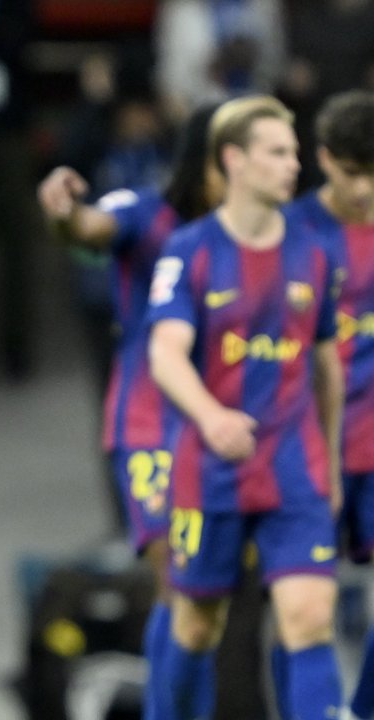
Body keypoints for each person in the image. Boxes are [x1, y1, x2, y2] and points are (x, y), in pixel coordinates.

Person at [147, 95, 345, 720]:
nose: (294, 165)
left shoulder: (315, 252)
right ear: (234, 159)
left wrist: (330, 465)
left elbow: (326, 367)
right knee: (196, 625)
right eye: (278, 152)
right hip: (212, 471)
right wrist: (211, 418)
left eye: (295, 152)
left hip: (295, 469)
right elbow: (165, 353)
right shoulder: (190, 250)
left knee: (309, 618)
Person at [38, 105, 222, 719]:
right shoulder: (145, 210)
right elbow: (90, 227)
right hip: (153, 425)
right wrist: (64, 212)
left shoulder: (271, 235)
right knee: (181, 589)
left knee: (241, 606)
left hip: (231, 430)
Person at [283, 89, 374, 720]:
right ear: (322, 160)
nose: (364, 188)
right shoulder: (289, 234)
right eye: (350, 172)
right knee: (302, 614)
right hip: (306, 452)